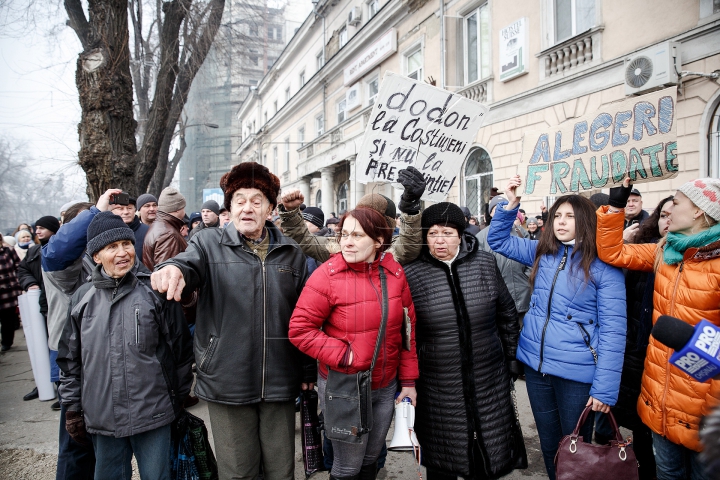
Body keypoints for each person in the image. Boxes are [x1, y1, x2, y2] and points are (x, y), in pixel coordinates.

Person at [151, 162, 316, 479]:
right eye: (240, 200)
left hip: (280, 379)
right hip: (227, 377)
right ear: (230, 206)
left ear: (270, 208)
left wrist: (307, 369)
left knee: (281, 471)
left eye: (257, 200)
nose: (247, 208)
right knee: (238, 472)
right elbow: (186, 264)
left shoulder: (291, 252)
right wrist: (172, 269)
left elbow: (303, 317)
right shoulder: (207, 243)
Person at [487, 175, 626, 480]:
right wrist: (510, 205)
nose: (560, 222)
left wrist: (604, 389)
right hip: (538, 370)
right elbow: (497, 240)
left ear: (586, 221)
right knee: (550, 447)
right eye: (557, 215)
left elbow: (615, 332)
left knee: (575, 450)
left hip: (577, 375)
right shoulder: (543, 252)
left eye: (570, 217)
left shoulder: (604, 266)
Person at [596, 178, 720, 480]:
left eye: (676, 204)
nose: (667, 211)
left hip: (705, 410)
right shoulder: (664, 252)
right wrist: (616, 205)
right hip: (659, 402)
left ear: (699, 213)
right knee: (667, 475)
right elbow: (612, 252)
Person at [57, 211, 193, 480]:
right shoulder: (82, 298)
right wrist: (72, 407)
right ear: (96, 256)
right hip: (101, 416)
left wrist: (176, 400)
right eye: (111, 247)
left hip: (153, 414)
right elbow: (70, 361)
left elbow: (180, 352)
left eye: (126, 244)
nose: (122, 253)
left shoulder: (155, 291)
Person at [289, 207, 419, 480]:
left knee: (371, 460)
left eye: (357, 235)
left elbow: (407, 333)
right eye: (344, 234)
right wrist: (345, 356)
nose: (347, 241)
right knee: (347, 467)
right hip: (344, 387)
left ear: (378, 240)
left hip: (385, 387)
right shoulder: (327, 275)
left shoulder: (394, 273)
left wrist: (408, 383)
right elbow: (300, 329)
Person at [404, 202, 525, 479]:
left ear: (460, 234)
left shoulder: (484, 262)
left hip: (488, 375)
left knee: (486, 451)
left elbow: (506, 314)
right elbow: (406, 334)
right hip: (437, 381)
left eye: (447, 232)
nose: (439, 240)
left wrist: (512, 358)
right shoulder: (412, 272)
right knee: (443, 456)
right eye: (432, 233)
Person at [596, 195, 673, 479]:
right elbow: (612, 253)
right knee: (642, 424)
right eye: (664, 214)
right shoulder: (648, 251)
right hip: (639, 354)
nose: (669, 219)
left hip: (675, 359)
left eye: (674, 214)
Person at [278, 166, 426, 266]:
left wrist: (410, 206)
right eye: (359, 217)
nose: (349, 243)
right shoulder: (336, 248)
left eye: (369, 221)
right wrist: (291, 212)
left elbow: (409, 246)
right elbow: (302, 239)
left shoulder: (392, 254)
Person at [18, 215, 59, 404]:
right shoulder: (34, 251)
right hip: (40, 306)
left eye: (43, 228)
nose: (38, 231)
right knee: (40, 345)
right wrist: (30, 284)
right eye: (37, 228)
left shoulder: (60, 248)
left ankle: (61, 388)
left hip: (56, 306)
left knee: (57, 346)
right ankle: (43, 383)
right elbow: (22, 270)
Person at [477, 196, 531, 331]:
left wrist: (526, 278)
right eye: (498, 208)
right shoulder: (481, 237)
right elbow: (480, 266)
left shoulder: (521, 232)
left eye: (507, 207)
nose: (503, 210)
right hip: (498, 297)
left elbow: (532, 260)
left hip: (523, 294)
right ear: (491, 213)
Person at [143, 187, 187, 271]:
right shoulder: (168, 234)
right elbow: (166, 274)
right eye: (183, 207)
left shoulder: (160, 226)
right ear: (177, 209)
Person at [109, 192, 148, 263]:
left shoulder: (147, 232)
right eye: (121, 209)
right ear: (112, 210)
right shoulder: (105, 234)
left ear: (134, 210)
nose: (126, 212)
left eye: (129, 208)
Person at [0, 240, 22, 351]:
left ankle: (6, 343)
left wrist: (17, 281)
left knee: (7, 320)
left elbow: (19, 266)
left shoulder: (8, 251)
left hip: (8, 292)